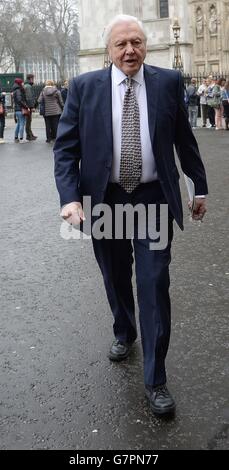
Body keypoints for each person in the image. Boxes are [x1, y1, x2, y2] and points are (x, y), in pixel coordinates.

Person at [54, 15, 208, 416]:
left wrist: (199, 186)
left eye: (136, 42)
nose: (130, 50)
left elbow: (184, 141)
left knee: (155, 283)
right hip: (104, 200)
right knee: (116, 276)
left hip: (153, 198)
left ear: (145, 46)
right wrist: (69, 199)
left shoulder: (168, 83)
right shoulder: (84, 88)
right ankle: (124, 329)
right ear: (109, 50)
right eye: (121, 44)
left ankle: (156, 379)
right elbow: (66, 149)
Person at [12, 78, 30, 143]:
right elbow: (20, 100)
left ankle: (16, 137)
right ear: (19, 83)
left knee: (19, 124)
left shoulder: (14, 90)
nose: (23, 83)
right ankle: (21, 138)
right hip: (20, 109)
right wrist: (26, 106)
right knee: (22, 123)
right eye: (22, 82)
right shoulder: (19, 90)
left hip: (17, 109)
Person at [24, 73, 38, 141]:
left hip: (27, 106)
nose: (33, 80)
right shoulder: (28, 86)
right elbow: (29, 97)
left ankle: (30, 134)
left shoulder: (26, 85)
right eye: (33, 78)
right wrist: (32, 107)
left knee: (28, 121)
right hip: (28, 107)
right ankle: (29, 136)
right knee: (28, 121)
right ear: (31, 79)